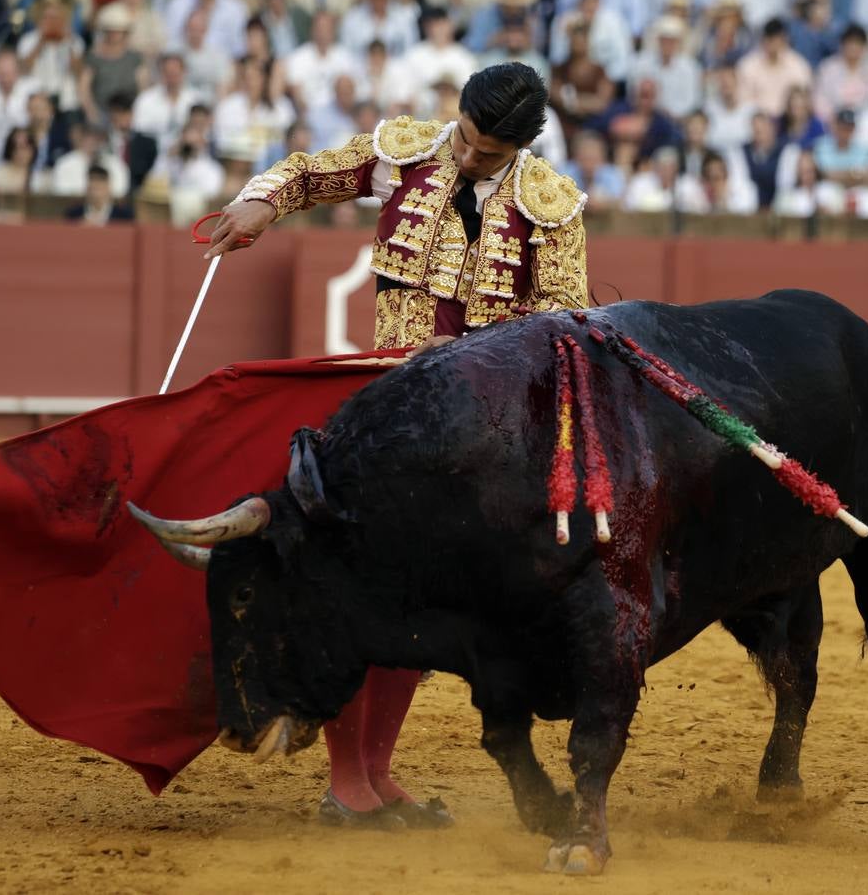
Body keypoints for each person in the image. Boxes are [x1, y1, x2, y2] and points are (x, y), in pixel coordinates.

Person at [204, 65, 590, 829]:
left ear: (522, 146)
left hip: (479, 440)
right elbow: (313, 173)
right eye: (468, 141)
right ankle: (348, 782)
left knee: (421, 607)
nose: (471, 158)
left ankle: (374, 774)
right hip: (387, 421)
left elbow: (561, 323)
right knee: (369, 594)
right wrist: (259, 203)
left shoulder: (551, 205)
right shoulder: (408, 154)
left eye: (488, 153)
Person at [738, 18, 815, 120]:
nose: (773, 45)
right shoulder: (748, 66)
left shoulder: (798, 66)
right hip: (759, 121)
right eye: (769, 39)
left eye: (777, 40)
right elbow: (743, 101)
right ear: (763, 40)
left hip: (788, 122)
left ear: (785, 40)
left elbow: (804, 99)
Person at [65, 164, 135, 223]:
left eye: (100, 180)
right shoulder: (73, 215)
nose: (95, 184)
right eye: (92, 180)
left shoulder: (124, 217)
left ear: (109, 186)